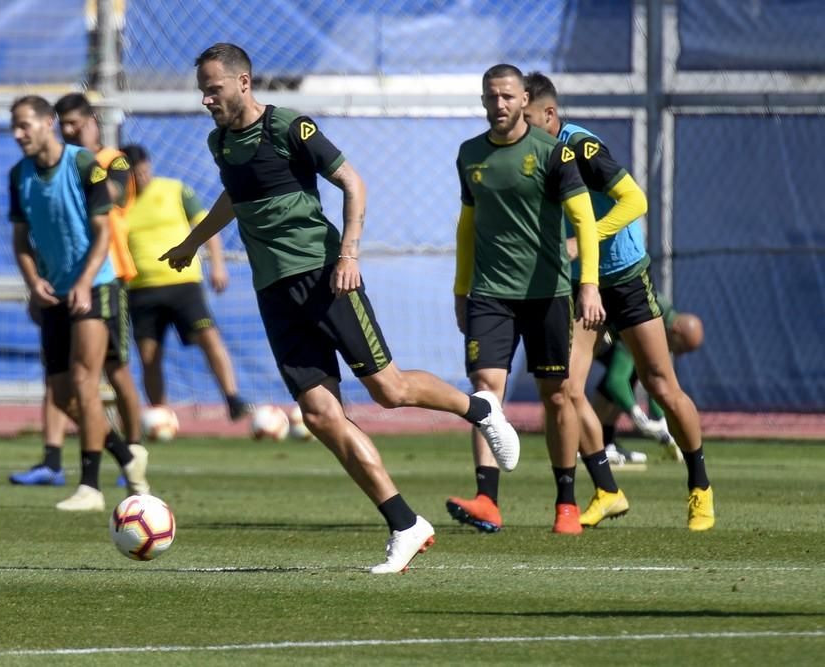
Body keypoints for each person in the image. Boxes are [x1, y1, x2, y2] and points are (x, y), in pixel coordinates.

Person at [161, 43, 518, 574]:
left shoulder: (289, 129)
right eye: (202, 91)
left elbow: (353, 183)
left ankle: (481, 408)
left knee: (389, 390)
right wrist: (193, 242)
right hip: (275, 294)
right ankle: (405, 523)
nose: (207, 99)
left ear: (243, 82)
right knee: (321, 415)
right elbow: (236, 196)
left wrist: (348, 253)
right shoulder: (220, 143)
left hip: (325, 276)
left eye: (213, 88)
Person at [518, 72, 711, 530]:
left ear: (549, 114)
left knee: (660, 383)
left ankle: (700, 485)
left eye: (528, 118)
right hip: (579, 282)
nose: (520, 128)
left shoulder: (581, 148)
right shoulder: (528, 155)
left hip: (624, 275)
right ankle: (607, 490)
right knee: (564, 389)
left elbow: (635, 201)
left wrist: (582, 242)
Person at [444, 64, 613, 537]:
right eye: (491, 97)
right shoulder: (469, 155)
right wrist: (461, 290)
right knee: (485, 391)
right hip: (490, 295)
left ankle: (565, 502)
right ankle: (486, 500)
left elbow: (581, 218)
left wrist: (589, 283)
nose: (499, 105)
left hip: (548, 294)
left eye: (507, 97)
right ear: (483, 101)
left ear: (524, 101)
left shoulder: (553, 153)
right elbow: (466, 228)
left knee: (557, 396)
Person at [8, 95, 149, 511]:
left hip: (98, 283)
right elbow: (21, 241)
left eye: (24, 126)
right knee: (61, 392)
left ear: (47, 123)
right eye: (13, 128)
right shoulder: (19, 175)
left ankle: (91, 486)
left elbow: (103, 232)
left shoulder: (86, 164)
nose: (18, 135)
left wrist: (85, 282)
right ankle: (127, 456)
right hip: (54, 290)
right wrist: (34, 282)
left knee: (90, 379)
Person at [119, 143, 253, 420]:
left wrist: (217, 265)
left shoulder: (174, 190)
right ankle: (159, 415)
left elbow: (205, 225)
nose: (141, 178)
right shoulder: (120, 203)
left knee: (209, 337)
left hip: (183, 284)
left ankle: (232, 398)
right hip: (141, 290)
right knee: (148, 354)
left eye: (144, 171)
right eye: (135, 174)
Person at [594, 295, 705, 465]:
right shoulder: (648, 322)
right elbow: (615, 381)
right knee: (621, 379)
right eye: (681, 348)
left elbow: (656, 383)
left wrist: (663, 424)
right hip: (593, 324)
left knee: (631, 376)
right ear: (676, 330)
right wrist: (637, 414)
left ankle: (605, 441)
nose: (679, 354)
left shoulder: (663, 324)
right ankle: (587, 443)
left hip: (611, 327)